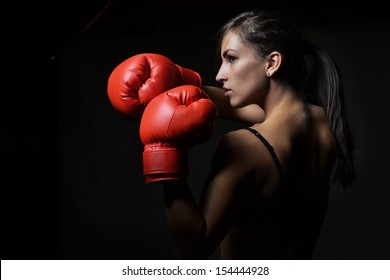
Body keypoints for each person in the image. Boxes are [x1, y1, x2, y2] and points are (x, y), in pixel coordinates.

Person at [108, 9, 357, 260]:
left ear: (272, 63)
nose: (219, 74)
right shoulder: (326, 123)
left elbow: (195, 245)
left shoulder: (244, 147)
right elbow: (239, 107)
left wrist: (166, 153)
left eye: (232, 59)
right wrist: (173, 80)